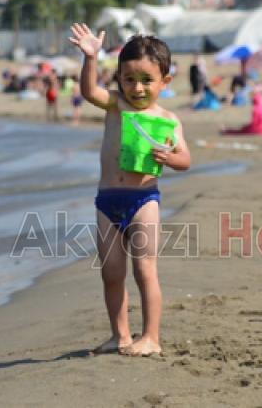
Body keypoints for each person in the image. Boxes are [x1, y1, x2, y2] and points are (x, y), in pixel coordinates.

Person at [69, 24, 191, 357]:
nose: (137, 88)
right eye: (129, 79)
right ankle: (119, 335)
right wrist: (91, 57)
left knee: (144, 269)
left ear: (164, 81)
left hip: (143, 201)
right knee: (111, 273)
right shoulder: (114, 106)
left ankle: (151, 337)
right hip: (107, 201)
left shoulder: (167, 119)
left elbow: (186, 159)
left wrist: (170, 157)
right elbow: (88, 91)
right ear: (119, 78)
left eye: (147, 80)